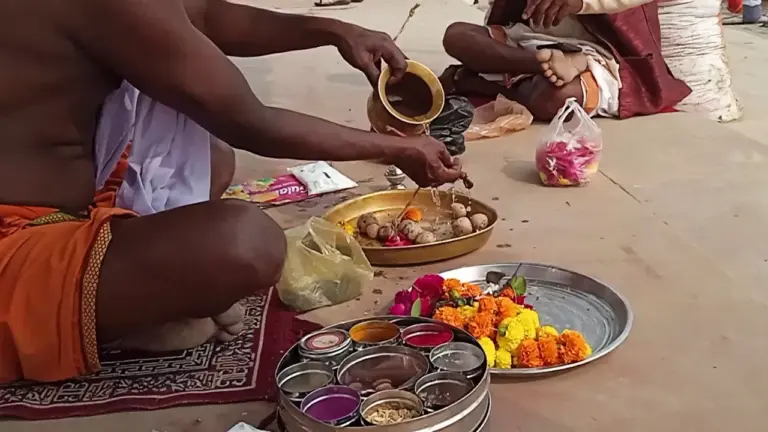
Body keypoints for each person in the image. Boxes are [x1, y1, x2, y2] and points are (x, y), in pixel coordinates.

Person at [0, 0, 463, 383]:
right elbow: (249, 122)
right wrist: (397, 150)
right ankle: (118, 324)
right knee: (245, 243)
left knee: (212, 158)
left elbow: (197, 15)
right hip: (15, 242)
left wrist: (333, 29)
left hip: (62, 205)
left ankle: (128, 298)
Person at [439, 0, 691, 120]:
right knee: (457, 35)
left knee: (557, 99)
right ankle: (538, 64)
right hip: (528, 38)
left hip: (601, 50)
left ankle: (479, 83)